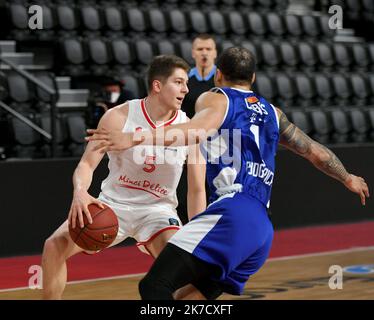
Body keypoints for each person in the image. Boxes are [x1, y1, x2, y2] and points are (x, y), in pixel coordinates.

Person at [86, 47, 370, 300]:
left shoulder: (216, 99)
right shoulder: (273, 113)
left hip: (232, 213)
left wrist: (134, 138)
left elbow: (191, 132)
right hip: (261, 232)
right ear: (254, 78)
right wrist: (347, 177)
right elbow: (315, 152)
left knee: (154, 287)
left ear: (218, 75)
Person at [41, 55, 207, 299]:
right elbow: (87, 164)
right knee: (53, 245)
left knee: (185, 272)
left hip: (158, 211)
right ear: (157, 85)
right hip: (112, 205)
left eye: (186, 83)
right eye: (179, 82)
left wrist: (197, 230)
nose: (186, 89)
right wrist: (80, 192)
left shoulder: (188, 128)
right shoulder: (118, 117)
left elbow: (196, 189)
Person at [181, 34, 217, 119]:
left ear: (215, 53)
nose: (204, 53)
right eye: (200, 49)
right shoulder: (184, 78)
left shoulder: (224, 78)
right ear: (193, 53)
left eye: (208, 49)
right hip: (190, 128)